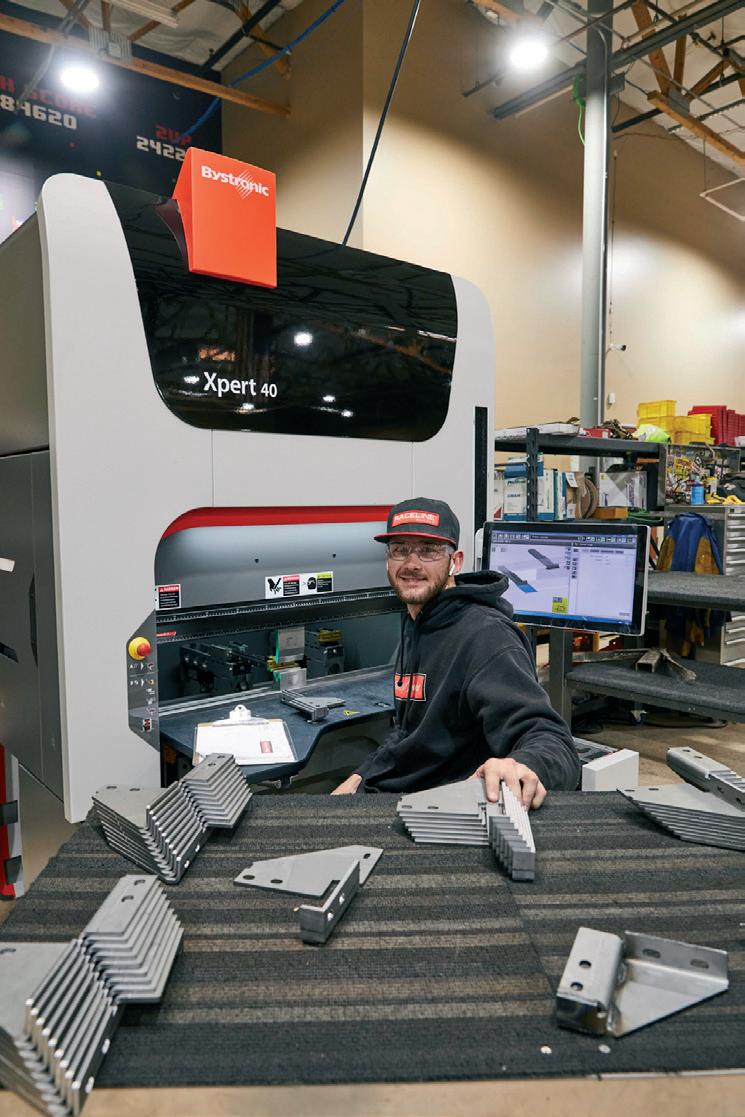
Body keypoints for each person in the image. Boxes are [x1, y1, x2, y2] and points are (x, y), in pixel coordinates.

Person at [331, 497, 580, 807]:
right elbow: (409, 731)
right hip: (402, 791)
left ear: (456, 561)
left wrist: (524, 766)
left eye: (429, 551)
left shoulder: (486, 636)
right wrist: (361, 776)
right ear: (388, 558)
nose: (412, 563)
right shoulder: (417, 620)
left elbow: (552, 741)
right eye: (400, 550)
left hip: (442, 806)